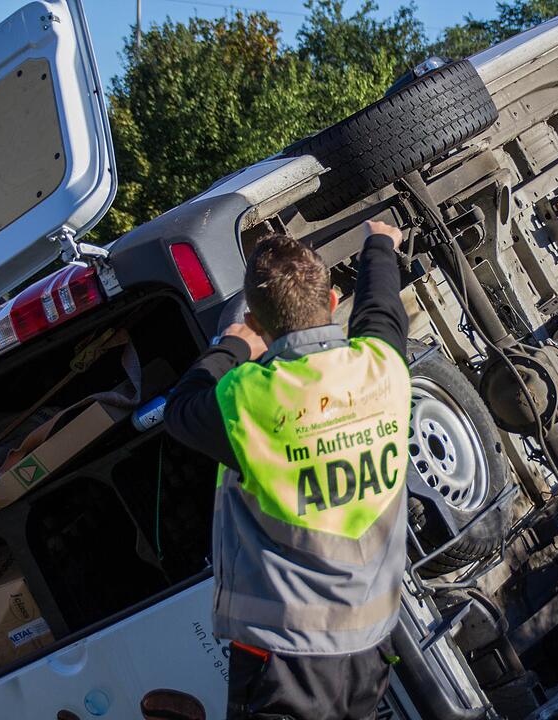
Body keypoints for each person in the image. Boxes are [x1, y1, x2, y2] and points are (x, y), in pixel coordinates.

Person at [164, 220, 410, 720]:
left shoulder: (247, 398)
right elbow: (381, 309)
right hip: (370, 645)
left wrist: (234, 344)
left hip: (287, 656)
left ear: (258, 320)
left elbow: (180, 409)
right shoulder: (383, 367)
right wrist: (380, 244)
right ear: (334, 301)